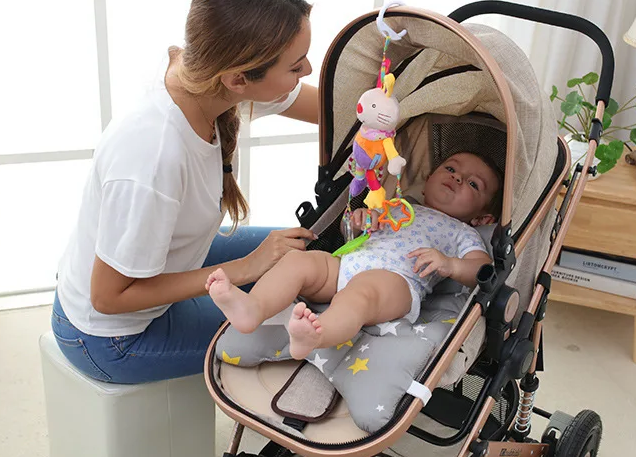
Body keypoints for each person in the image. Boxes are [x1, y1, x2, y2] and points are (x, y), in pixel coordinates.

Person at [51, 0, 320, 384]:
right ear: (238, 79)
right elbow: (107, 297)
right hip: (113, 336)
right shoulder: (153, 155)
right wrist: (246, 268)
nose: (309, 69)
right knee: (317, 328)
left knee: (309, 257)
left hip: (170, 260)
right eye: (296, 66)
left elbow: (334, 109)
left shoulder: (200, 73)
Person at [207, 151, 502, 360]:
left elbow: (483, 269)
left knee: (361, 293)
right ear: (427, 180)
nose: (458, 178)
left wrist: (450, 264)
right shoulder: (397, 205)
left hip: (398, 283)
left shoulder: (463, 231)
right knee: (299, 261)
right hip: (347, 264)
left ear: (483, 218)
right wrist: (359, 221)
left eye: (473, 183)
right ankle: (253, 308)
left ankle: (317, 334)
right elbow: (350, 233)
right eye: (450, 169)